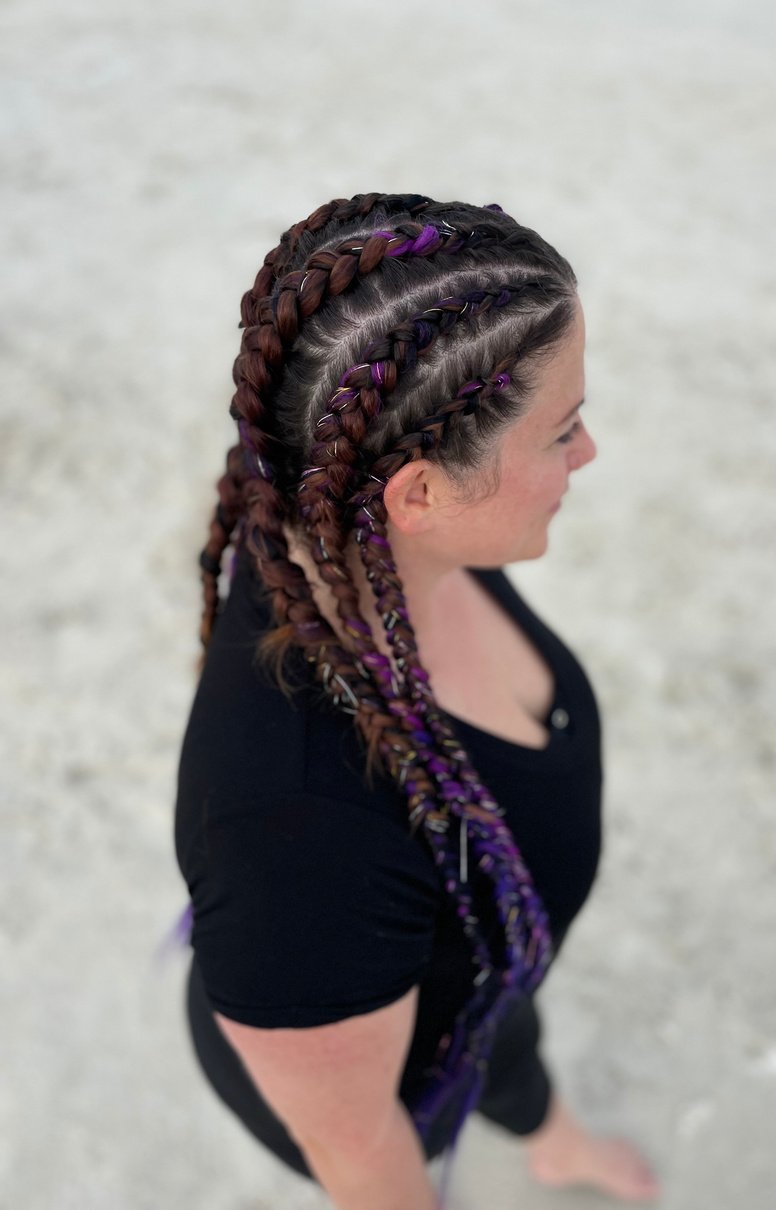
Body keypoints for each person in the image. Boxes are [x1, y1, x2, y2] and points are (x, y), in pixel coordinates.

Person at [175, 192, 659, 1209]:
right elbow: (367, 1167)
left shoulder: (339, 514)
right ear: (420, 493)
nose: (587, 454)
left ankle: (552, 1136)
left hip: (475, 974)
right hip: (371, 1066)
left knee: (507, 1040)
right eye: (561, 429)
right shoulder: (296, 852)